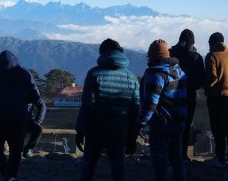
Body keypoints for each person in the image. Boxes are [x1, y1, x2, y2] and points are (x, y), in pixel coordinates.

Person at [75, 38, 140, 181]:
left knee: (89, 166)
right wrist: (132, 136)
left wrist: (80, 130)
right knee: (118, 167)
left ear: (102, 54)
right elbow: (135, 110)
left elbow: (87, 106)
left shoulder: (94, 74)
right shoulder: (132, 77)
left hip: (96, 130)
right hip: (120, 130)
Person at [0, 50, 44, 181]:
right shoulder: (25, 74)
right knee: (16, 150)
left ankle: (7, 174)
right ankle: (12, 175)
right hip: (19, 116)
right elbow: (35, 97)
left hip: (0, 116)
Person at [140, 39, 187, 181]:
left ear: (154, 55)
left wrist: (142, 121)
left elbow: (151, 103)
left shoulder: (156, 74)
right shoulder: (179, 71)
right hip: (178, 122)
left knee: (160, 161)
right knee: (176, 158)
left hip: (161, 124)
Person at [204, 32, 228, 167]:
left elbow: (212, 78)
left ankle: (220, 158)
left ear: (211, 43)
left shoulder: (211, 56)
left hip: (215, 98)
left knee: (218, 129)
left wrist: (207, 87)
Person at [169, 29, 206, 161]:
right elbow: (200, 80)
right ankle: (183, 153)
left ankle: (170, 151)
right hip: (189, 95)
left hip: (170, 94)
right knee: (186, 125)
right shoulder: (196, 58)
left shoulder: (171, 54)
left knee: (170, 123)